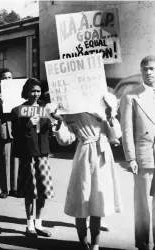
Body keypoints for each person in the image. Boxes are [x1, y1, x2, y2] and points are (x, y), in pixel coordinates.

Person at [48, 92, 122, 250]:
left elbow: (115, 136)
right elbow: (65, 140)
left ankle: (95, 245)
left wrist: (109, 115)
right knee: (81, 199)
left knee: (98, 201)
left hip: (102, 156)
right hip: (84, 155)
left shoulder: (102, 103)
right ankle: (83, 243)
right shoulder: (71, 109)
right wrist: (59, 121)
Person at [11, 78, 54, 238]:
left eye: (38, 91)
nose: (36, 94)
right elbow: (15, 134)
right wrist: (28, 124)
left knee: (42, 189)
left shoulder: (44, 110)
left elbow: (47, 131)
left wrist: (53, 123)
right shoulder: (18, 111)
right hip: (28, 154)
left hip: (42, 154)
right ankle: (29, 224)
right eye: (32, 91)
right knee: (30, 189)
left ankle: (39, 223)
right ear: (26, 92)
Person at [121, 55, 155, 250]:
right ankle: (144, 243)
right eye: (144, 69)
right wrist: (130, 157)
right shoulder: (131, 95)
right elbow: (126, 129)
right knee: (142, 203)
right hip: (143, 156)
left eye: (151, 68)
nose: (148, 72)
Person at [0, 68, 18, 198]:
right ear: (1, 80)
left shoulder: (18, 93)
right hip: (3, 129)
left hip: (16, 129)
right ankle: (4, 189)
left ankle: (15, 188)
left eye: (9, 77)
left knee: (15, 160)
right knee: (3, 160)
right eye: (4, 77)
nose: (7, 80)